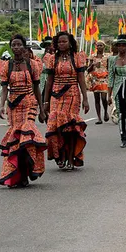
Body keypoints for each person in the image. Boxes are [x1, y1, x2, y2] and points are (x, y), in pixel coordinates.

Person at [0, 35, 46, 188]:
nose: (16, 47)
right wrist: (1, 106)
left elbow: (37, 87)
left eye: (19, 45)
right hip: (13, 105)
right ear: (11, 47)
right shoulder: (6, 66)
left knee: (27, 136)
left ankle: (28, 170)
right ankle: (19, 174)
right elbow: (5, 88)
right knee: (17, 141)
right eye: (14, 45)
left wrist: (42, 109)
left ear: (24, 47)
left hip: (29, 102)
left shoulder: (32, 64)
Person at [42, 32, 90, 170]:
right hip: (56, 95)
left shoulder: (77, 57)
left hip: (72, 95)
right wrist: (45, 102)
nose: (61, 44)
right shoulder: (52, 59)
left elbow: (81, 79)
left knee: (70, 128)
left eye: (64, 42)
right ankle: (60, 155)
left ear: (70, 43)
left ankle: (70, 158)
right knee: (55, 127)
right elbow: (49, 81)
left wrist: (85, 99)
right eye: (59, 42)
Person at [87, 40, 110, 124]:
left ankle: (105, 112)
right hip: (95, 79)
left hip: (104, 79)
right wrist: (92, 65)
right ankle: (99, 118)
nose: (99, 47)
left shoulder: (107, 57)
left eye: (101, 45)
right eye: (98, 45)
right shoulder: (92, 57)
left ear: (104, 46)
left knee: (104, 98)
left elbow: (110, 67)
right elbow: (88, 69)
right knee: (96, 99)